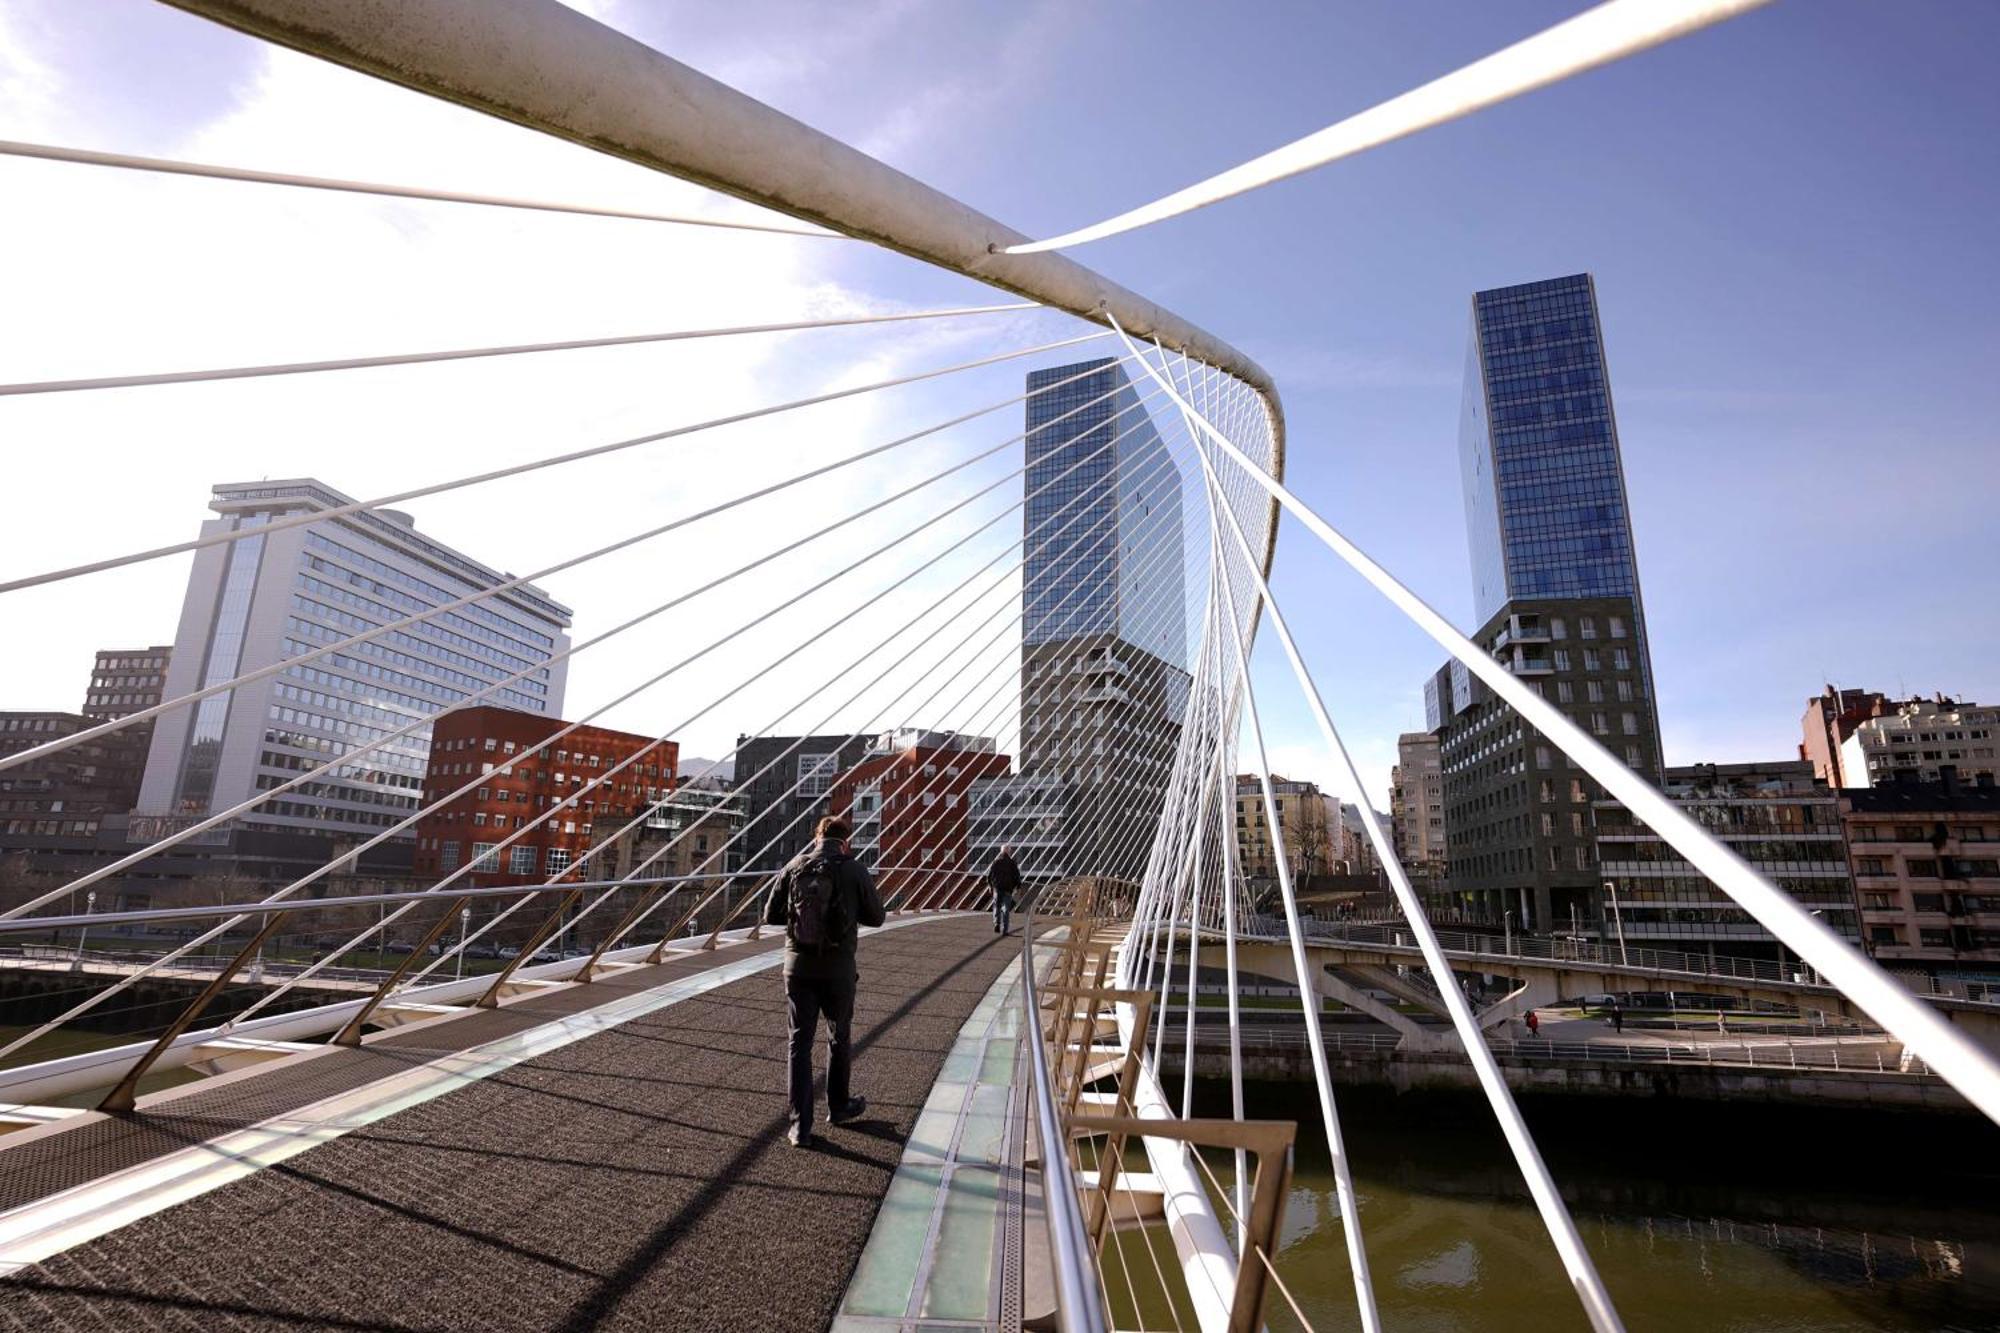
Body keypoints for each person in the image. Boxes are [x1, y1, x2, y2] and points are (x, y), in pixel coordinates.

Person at [764, 814, 885, 1148]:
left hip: (798, 967)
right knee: (838, 1036)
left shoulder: (794, 866)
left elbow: (770, 916)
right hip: (838, 969)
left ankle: (799, 1127)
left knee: (798, 1044)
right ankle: (839, 1107)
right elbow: (877, 917)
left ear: (816, 837)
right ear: (845, 841)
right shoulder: (854, 869)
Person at [988, 845, 1022, 935]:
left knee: (997, 906)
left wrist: (990, 886)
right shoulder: (1012, 863)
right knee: (1006, 909)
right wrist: (1018, 886)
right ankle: (1005, 930)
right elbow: (1017, 876)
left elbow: (990, 875)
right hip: (1008, 889)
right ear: (1009, 852)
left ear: (1001, 851)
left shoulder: (996, 862)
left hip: (997, 888)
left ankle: (997, 923)